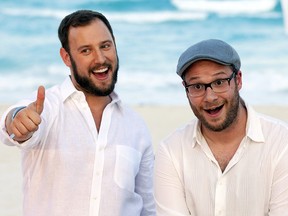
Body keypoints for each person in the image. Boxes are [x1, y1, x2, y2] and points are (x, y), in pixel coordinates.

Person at [0, 10, 155, 216]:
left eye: (105, 46)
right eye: (85, 51)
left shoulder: (136, 126)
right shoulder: (48, 107)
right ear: (66, 57)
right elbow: (13, 124)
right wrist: (17, 120)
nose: (100, 59)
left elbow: (148, 207)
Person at [154, 39, 288, 215]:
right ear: (186, 90)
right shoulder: (171, 151)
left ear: (238, 80)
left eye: (219, 82)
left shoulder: (281, 142)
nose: (210, 97)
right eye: (197, 86)